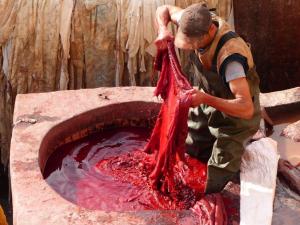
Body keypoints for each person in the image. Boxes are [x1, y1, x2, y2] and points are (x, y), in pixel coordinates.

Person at [155, 3, 261, 193]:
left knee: (216, 179)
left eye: (194, 43)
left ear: (210, 31)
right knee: (190, 151)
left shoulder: (231, 57)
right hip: (208, 100)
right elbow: (164, 8)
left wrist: (204, 99)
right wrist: (163, 30)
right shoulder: (193, 21)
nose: (191, 47)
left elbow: (246, 109)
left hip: (236, 118)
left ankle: (233, 161)